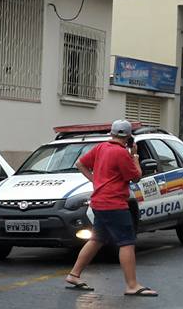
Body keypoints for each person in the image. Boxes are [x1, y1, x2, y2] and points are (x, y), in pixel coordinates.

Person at [64, 120, 157, 297]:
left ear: (112, 134)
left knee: (97, 238)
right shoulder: (121, 153)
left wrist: (95, 180)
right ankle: (132, 285)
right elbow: (136, 177)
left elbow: (80, 164)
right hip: (114, 203)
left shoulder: (101, 148)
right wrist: (135, 157)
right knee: (127, 242)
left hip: (99, 202)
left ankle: (74, 275)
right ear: (128, 137)